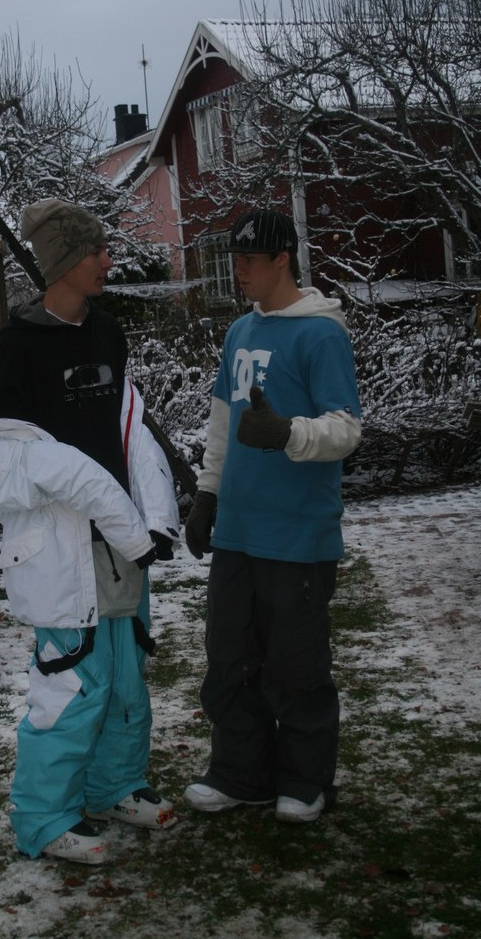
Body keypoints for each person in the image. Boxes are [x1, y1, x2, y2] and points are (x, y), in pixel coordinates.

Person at [0, 198, 180, 865]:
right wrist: (92, 498)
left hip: (122, 545)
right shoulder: (18, 350)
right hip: (62, 552)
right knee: (71, 685)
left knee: (125, 676)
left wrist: (153, 517)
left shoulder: (106, 334)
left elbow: (128, 431)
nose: (109, 262)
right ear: (64, 263)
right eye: (97, 252)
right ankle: (44, 818)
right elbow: (4, 469)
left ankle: (114, 784)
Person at [183, 208, 361, 823]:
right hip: (238, 529)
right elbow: (222, 423)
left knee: (296, 665)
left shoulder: (321, 335)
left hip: (298, 534)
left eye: (249, 261)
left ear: (282, 258)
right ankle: (241, 773)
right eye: (234, 261)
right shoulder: (239, 333)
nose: (239, 273)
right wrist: (208, 493)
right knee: (228, 658)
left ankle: (305, 781)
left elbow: (346, 429)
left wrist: (287, 432)